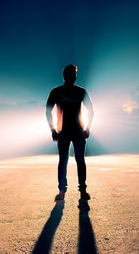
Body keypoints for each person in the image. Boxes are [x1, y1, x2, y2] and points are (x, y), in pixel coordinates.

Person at [46, 64, 94, 201]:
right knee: (63, 161)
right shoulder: (56, 92)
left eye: (75, 75)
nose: (73, 77)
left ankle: (82, 190)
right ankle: (62, 191)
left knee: (80, 160)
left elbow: (91, 110)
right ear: (65, 76)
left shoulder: (81, 91)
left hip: (78, 131)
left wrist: (88, 128)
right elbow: (47, 111)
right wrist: (53, 130)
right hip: (63, 132)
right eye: (71, 74)